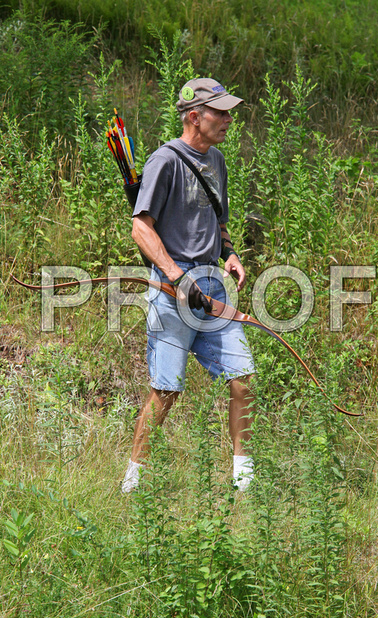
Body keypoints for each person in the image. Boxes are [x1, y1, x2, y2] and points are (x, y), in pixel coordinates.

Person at [122, 78, 256, 493]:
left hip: (212, 287)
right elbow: (141, 229)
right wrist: (177, 278)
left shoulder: (217, 162)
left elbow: (217, 219)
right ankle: (133, 481)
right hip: (172, 289)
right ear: (194, 117)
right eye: (221, 112)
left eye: (229, 112)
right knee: (166, 392)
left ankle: (245, 482)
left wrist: (229, 252)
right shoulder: (164, 161)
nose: (229, 120)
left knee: (243, 379)